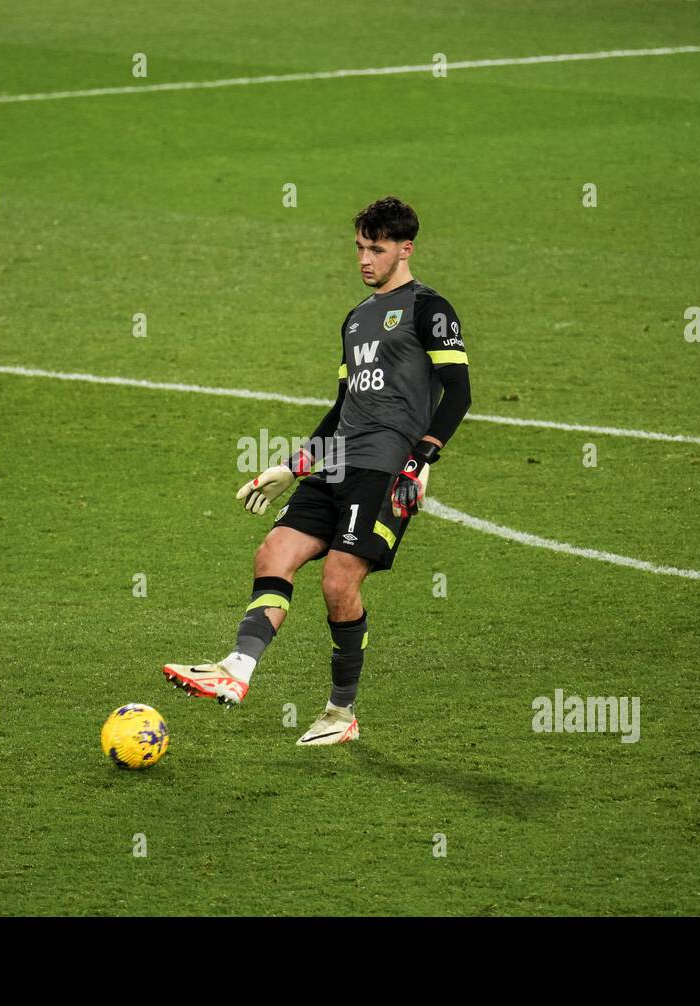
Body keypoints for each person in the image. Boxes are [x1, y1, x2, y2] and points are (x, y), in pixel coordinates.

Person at [163, 196, 471, 745]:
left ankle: (340, 712)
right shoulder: (355, 319)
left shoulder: (430, 308)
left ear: (405, 249)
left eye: (376, 249)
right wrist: (292, 465)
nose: (364, 259)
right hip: (338, 465)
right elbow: (341, 409)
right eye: (359, 247)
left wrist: (421, 460)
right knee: (273, 553)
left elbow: (459, 393)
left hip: (384, 470)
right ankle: (237, 669)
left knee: (338, 580)